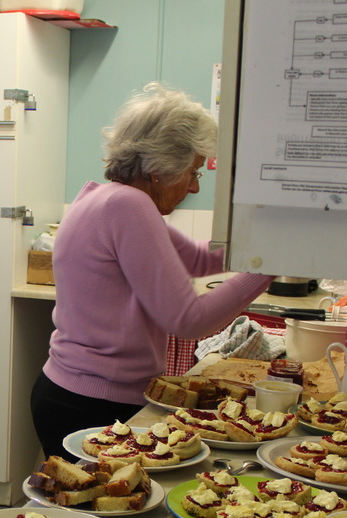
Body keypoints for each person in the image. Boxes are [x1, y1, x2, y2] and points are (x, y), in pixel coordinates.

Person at [30, 83, 273, 457]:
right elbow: (188, 320)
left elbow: (196, 258)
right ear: (159, 168)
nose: (193, 187)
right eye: (191, 172)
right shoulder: (128, 206)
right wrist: (269, 264)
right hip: (94, 405)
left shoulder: (102, 197)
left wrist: (260, 238)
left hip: (71, 394)